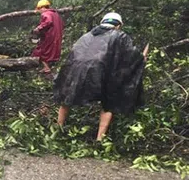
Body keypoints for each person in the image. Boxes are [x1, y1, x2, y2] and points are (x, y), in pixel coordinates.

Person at [54, 12, 149, 141]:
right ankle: (100, 139)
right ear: (118, 25)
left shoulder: (87, 35)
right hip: (100, 71)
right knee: (109, 100)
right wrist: (142, 58)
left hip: (75, 70)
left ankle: (57, 129)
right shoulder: (120, 35)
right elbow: (130, 55)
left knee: (67, 97)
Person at [31, 0, 64, 74]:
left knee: (39, 52)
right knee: (52, 52)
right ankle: (48, 67)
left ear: (42, 8)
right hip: (57, 36)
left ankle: (46, 68)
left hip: (49, 36)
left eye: (39, 9)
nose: (39, 12)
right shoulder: (55, 14)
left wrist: (38, 28)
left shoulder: (45, 14)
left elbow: (48, 21)